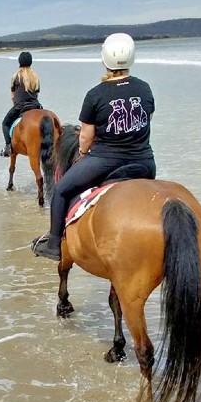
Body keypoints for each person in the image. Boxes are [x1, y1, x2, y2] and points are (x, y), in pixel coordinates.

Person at [32, 33, 156, 261]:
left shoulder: (95, 94)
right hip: (145, 163)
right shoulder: (145, 88)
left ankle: (53, 245)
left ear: (105, 59)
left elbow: (86, 139)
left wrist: (82, 154)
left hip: (105, 161)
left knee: (61, 190)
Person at [0, 51, 42, 157]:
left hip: (20, 107)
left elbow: (13, 96)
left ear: (19, 62)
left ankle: (8, 147)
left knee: (5, 123)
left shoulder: (16, 75)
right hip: (35, 106)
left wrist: (15, 104)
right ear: (30, 62)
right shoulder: (35, 76)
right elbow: (36, 94)